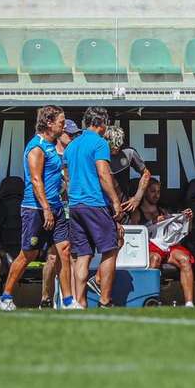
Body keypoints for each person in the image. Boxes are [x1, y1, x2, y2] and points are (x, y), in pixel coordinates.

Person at [0, 106, 76, 311]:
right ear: (49, 123)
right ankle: (6, 296)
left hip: (57, 208)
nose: (64, 124)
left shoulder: (53, 145)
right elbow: (35, 180)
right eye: (61, 121)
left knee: (64, 251)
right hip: (36, 210)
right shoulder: (37, 147)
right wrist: (46, 209)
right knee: (28, 255)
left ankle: (69, 301)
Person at [64, 106, 123, 308]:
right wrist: (115, 201)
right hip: (95, 204)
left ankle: (79, 302)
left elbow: (67, 177)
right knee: (110, 250)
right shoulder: (99, 143)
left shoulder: (72, 145)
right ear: (102, 124)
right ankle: (105, 300)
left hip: (75, 206)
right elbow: (103, 174)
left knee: (83, 255)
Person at [130, 178, 195, 306]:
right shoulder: (137, 212)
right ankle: (148, 300)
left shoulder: (164, 210)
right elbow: (134, 235)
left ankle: (189, 304)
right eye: (152, 191)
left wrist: (187, 218)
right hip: (150, 248)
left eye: (158, 192)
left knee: (185, 259)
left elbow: (181, 231)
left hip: (168, 247)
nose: (156, 195)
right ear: (144, 192)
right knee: (154, 259)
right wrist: (152, 222)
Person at [40, 118, 81, 307]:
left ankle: (68, 299)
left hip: (70, 209)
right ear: (60, 134)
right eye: (69, 134)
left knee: (68, 253)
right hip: (53, 208)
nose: (72, 138)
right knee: (52, 256)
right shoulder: (49, 152)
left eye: (75, 135)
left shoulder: (73, 154)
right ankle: (46, 298)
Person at [105, 124, 152, 214]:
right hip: (103, 207)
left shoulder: (129, 153)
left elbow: (146, 174)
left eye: (118, 146)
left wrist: (137, 198)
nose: (115, 150)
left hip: (123, 207)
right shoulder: (99, 153)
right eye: (112, 147)